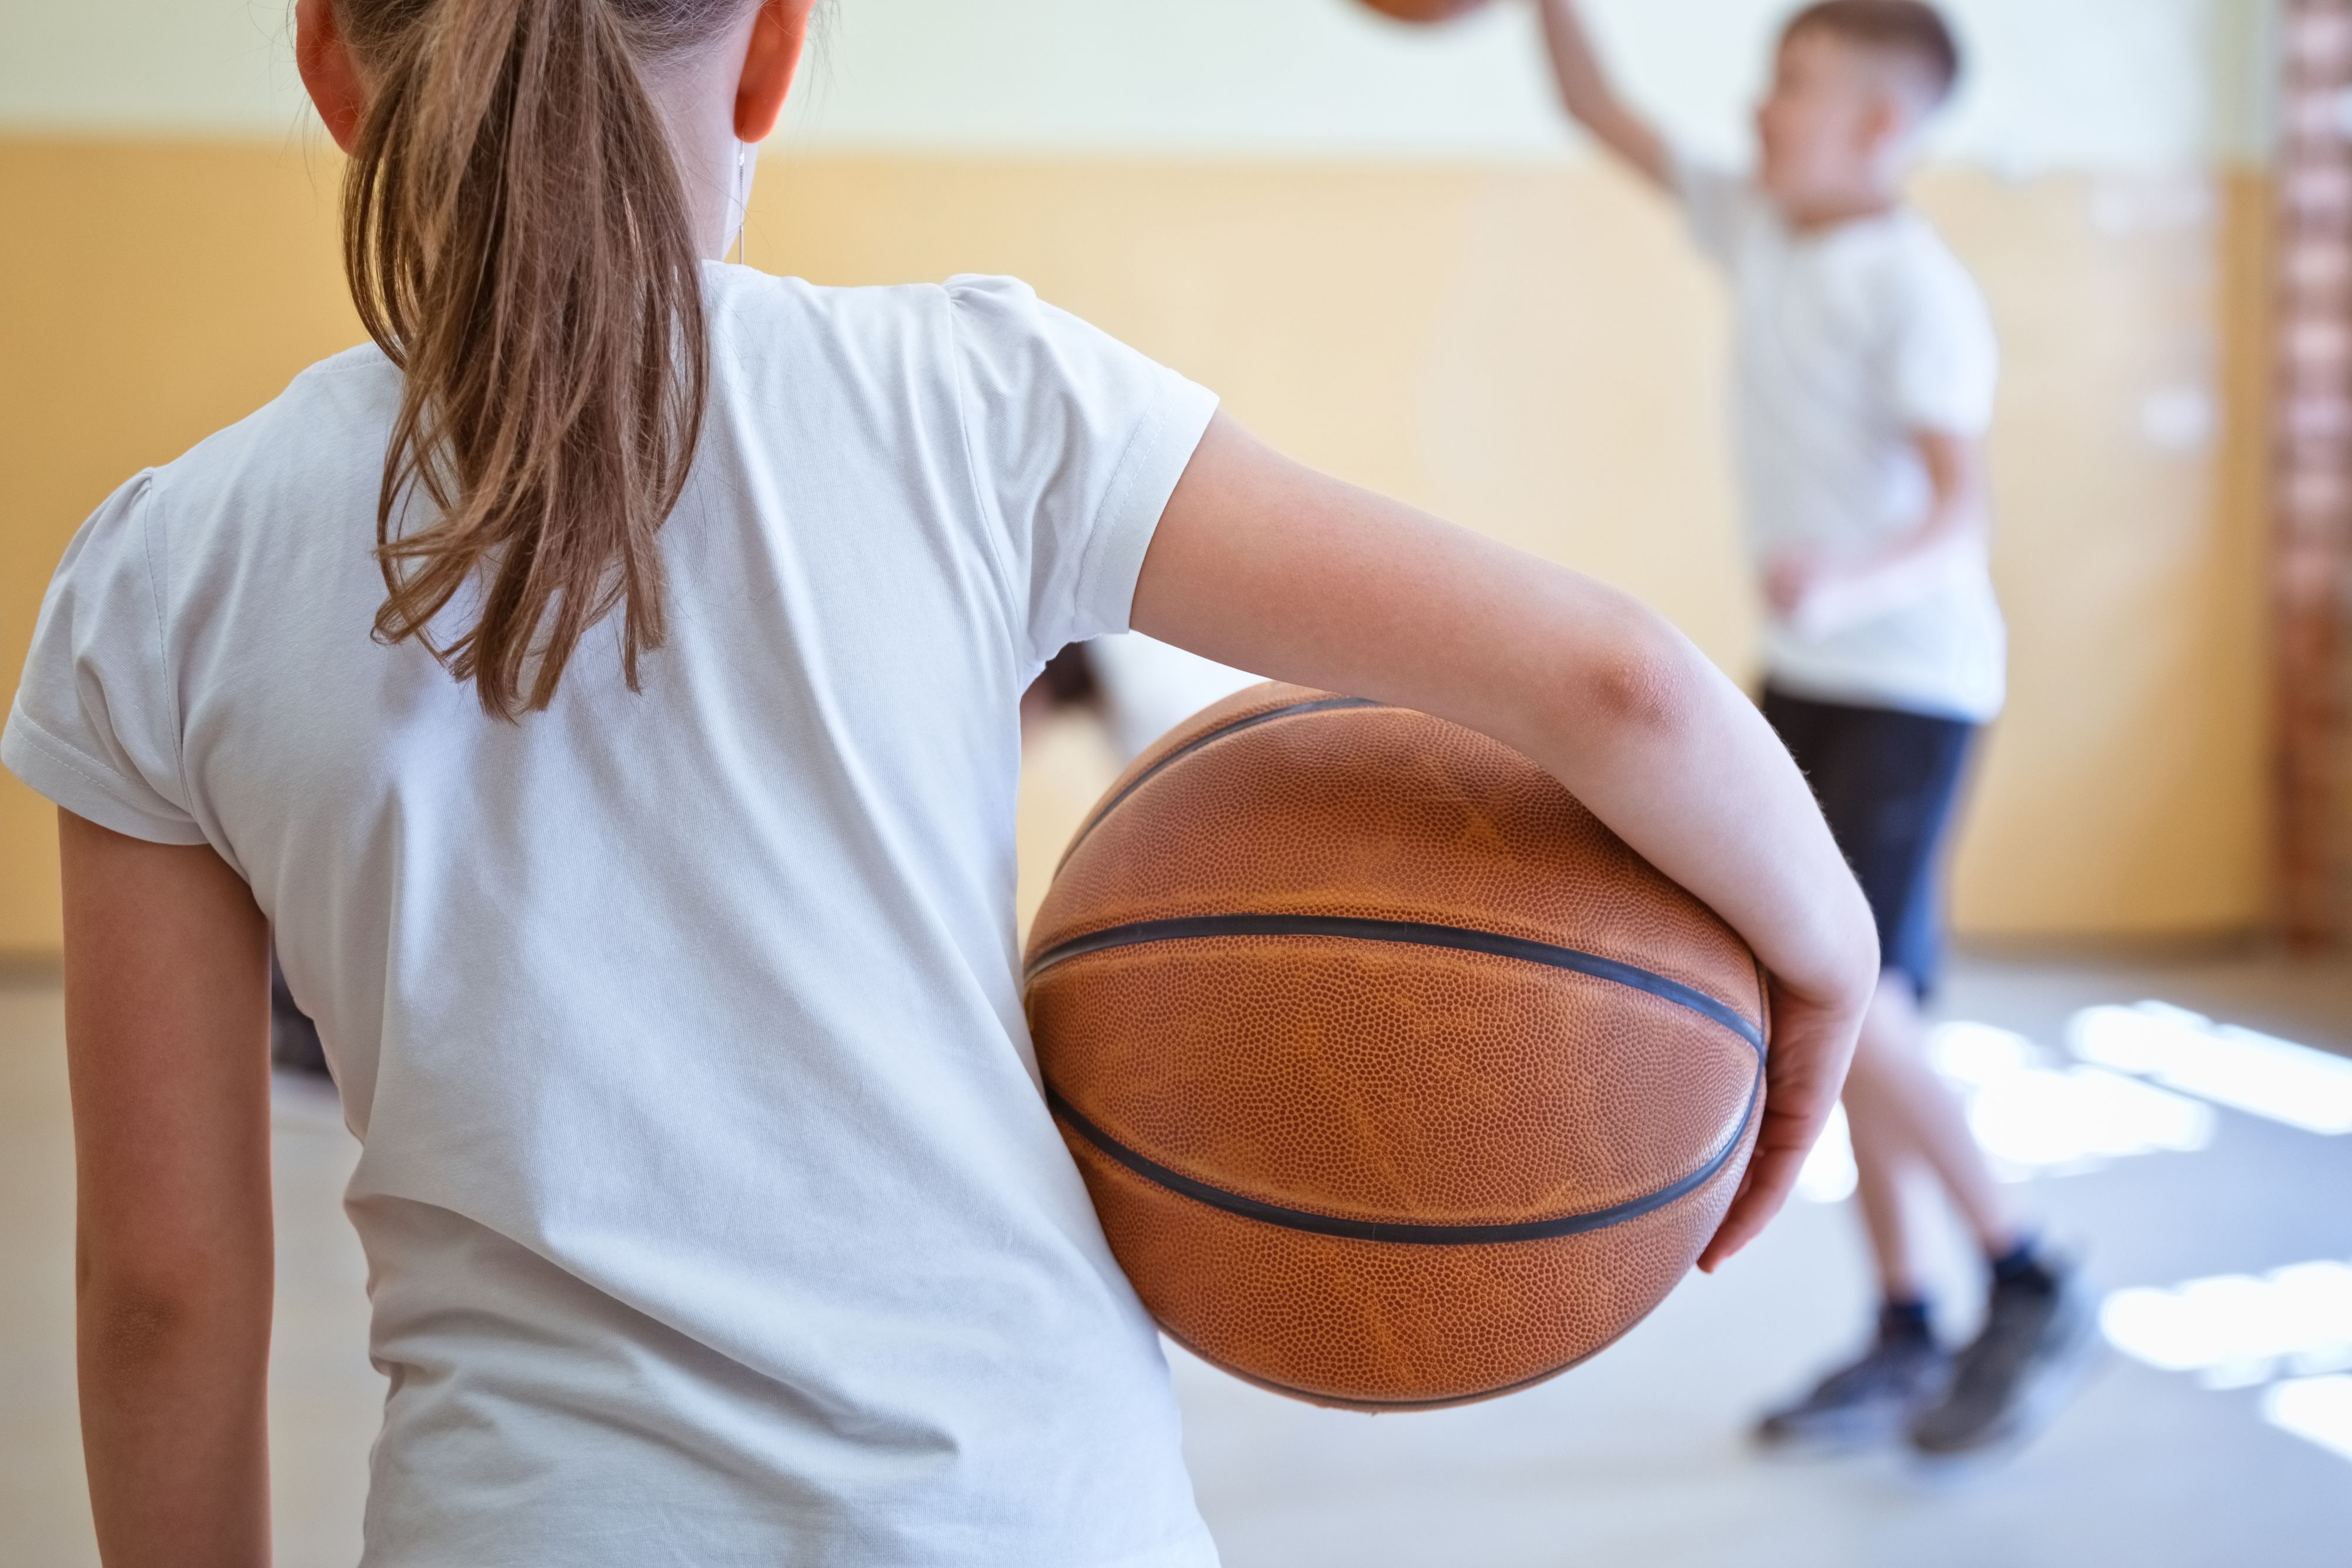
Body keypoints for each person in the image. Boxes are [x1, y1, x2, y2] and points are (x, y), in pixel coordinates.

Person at [4, 1, 1879, 1562]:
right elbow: (1617, 681)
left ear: (330, 64)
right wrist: (1829, 959)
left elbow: (165, 1291)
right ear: (771, 59)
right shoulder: (982, 403)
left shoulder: (165, 571)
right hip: (1025, 1507)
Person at [1531, 0, 2092, 1457]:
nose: (1757, 111)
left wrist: (1853, 573)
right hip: (1808, 668)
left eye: (1790, 89)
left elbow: (1957, 508)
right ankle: (1906, 1321)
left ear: (1880, 127)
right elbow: (1600, 110)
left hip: (1909, 679)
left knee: (1857, 993)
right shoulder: (1763, 224)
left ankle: (2028, 1274)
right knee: (1834, 1002)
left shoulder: (1913, 288)